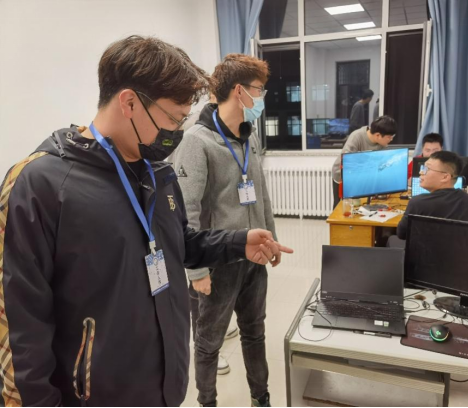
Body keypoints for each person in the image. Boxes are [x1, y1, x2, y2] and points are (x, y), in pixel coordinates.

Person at [0, 36, 293, 407]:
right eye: (173, 119)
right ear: (129, 102)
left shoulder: (157, 172)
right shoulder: (40, 185)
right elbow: (19, 327)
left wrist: (237, 242)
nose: (178, 132)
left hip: (162, 388)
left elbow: (178, 244)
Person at [175, 54, 278, 408]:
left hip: (254, 257)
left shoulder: (249, 137)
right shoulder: (196, 141)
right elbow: (186, 211)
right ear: (239, 91)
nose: (262, 97)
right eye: (259, 90)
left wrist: (271, 239)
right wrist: (196, 270)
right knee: (208, 344)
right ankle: (207, 402)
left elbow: (261, 194)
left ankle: (260, 398)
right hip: (217, 263)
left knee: (255, 333)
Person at [171, 94, 239, 378]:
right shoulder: (192, 132)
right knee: (199, 287)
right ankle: (205, 343)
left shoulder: (223, 126)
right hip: (194, 223)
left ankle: (217, 329)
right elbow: (187, 203)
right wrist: (195, 267)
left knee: (216, 289)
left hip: (216, 225)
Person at [396, 151, 468, 241]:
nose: (420, 172)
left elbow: (402, 234)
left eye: (427, 169)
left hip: (423, 250)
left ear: (445, 177)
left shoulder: (417, 203)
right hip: (459, 250)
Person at [332, 116, 397, 209]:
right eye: (389, 137)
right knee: (342, 207)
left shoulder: (382, 144)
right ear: (378, 135)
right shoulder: (356, 137)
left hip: (364, 176)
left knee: (363, 206)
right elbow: (347, 164)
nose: (391, 139)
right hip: (342, 175)